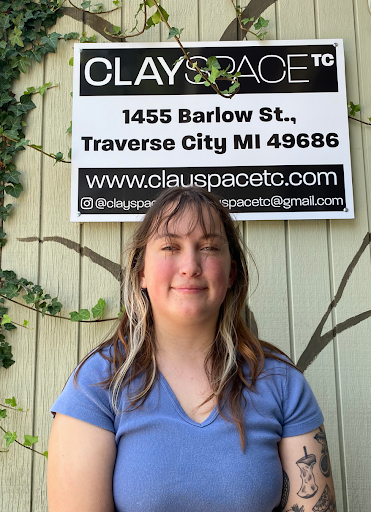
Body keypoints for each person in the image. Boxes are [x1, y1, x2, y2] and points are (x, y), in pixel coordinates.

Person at [47, 186, 337, 512]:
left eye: (209, 247)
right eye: (171, 246)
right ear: (141, 271)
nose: (190, 266)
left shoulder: (284, 385)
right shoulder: (98, 384)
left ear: (231, 273)